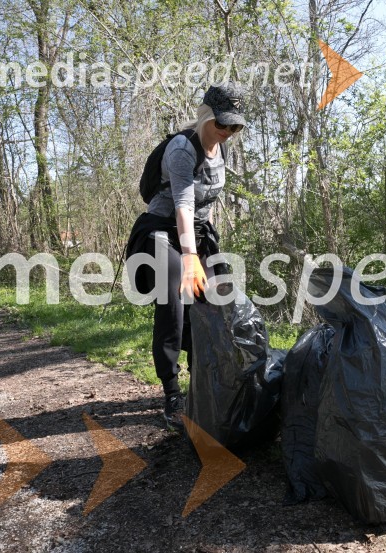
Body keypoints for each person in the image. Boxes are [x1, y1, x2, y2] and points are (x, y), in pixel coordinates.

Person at [125, 82, 245, 431]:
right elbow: (182, 203)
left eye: (234, 126)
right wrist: (190, 255)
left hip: (197, 231)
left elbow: (207, 204)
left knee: (211, 300)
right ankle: (172, 393)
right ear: (205, 115)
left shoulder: (222, 150)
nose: (226, 132)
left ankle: (201, 384)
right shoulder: (181, 149)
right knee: (176, 292)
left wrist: (205, 248)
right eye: (222, 124)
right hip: (162, 228)